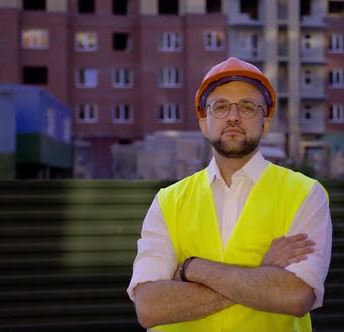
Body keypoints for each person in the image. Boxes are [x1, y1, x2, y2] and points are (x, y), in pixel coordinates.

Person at [127, 57, 332, 331]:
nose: (233, 116)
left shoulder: (305, 194)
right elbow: (150, 307)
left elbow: (295, 296)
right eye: (220, 107)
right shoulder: (169, 201)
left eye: (247, 107)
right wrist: (260, 276)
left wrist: (192, 269)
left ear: (266, 122)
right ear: (204, 122)